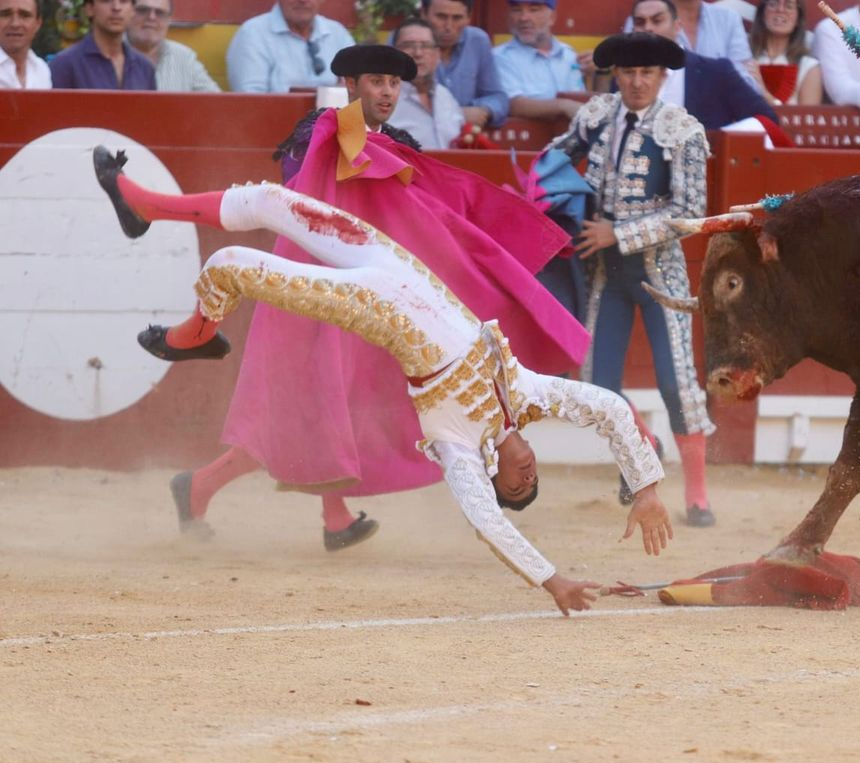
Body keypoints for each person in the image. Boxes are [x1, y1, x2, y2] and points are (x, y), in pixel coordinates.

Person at [93, 148, 673, 617]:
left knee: (229, 268)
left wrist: (552, 581)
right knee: (274, 201)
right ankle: (146, 206)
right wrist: (644, 487)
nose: (526, 477)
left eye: (517, 488)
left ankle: (195, 335)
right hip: (403, 269)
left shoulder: (457, 446)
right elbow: (607, 408)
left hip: (375, 307)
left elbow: (487, 522)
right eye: (532, 481)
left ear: (493, 477)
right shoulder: (526, 392)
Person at [131, 44, 589, 550]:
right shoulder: (317, 136)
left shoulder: (394, 143)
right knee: (313, 409)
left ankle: (293, 509)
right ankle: (217, 490)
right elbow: (300, 208)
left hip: (371, 298)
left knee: (335, 408)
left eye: (394, 84)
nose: (388, 92)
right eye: (376, 82)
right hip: (321, 293)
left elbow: (420, 220)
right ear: (351, 86)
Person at [550, 32, 717, 528]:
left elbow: (690, 213)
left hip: (658, 272)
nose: (638, 81)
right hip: (604, 273)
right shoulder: (596, 115)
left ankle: (699, 495)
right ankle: (645, 445)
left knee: (675, 383)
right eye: (629, 72)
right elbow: (558, 157)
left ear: (662, 77)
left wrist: (616, 232)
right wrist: (536, 195)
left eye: (647, 72)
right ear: (615, 75)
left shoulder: (682, 130)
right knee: (596, 384)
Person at [632, 0, 778, 131]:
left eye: (657, 21)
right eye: (640, 23)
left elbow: (765, 119)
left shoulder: (718, 71)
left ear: (677, 26)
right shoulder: (626, 74)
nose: (648, 28)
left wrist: (720, 140)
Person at [225, 0, 354, 93]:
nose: (303, 1)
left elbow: (356, 88)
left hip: (334, 125)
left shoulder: (337, 33)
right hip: (275, 125)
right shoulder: (253, 33)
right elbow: (251, 100)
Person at [420, 0, 509, 128]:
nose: (448, 26)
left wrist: (484, 110)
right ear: (424, 13)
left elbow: (498, 98)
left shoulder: (478, 41)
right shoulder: (405, 41)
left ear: (468, 17)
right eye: (441, 17)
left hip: (465, 140)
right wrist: (457, 114)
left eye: (457, 18)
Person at [492, 0, 584, 123]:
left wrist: (600, 73)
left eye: (534, 10)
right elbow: (513, 105)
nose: (523, 18)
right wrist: (563, 106)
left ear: (552, 17)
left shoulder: (569, 55)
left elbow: (584, 100)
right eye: (516, 10)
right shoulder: (500, 57)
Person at [388, 18, 465, 149]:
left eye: (426, 46)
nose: (418, 53)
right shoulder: (384, 98)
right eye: (408, 45)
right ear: (393, 53)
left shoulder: (446, 97)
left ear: (437, 55)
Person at [50, 0, 156, 89]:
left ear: (133, 10)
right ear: (89, 9)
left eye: (123, 1)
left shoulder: (144, 68)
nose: (116, 7)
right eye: (106, 0)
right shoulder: (65, 65)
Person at [126, 0, 220, 92]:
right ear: (128, 14)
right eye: (143, 10)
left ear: (169, 20)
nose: (151, 17)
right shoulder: (113, 53)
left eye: (160, 13)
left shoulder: (184, 58)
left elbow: (218, 103)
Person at [749, 0, 822, 105]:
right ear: (762, 14)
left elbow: (808, 119)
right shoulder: (744, 58)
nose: (780, 10)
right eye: (773, 4)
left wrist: (765, 94)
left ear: (798, 19)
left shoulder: (809, 66)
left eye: (789, 6)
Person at [0, 0, 50, 89]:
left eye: (25, 15)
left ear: (38, 23)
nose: (15, 24)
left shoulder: (41, 70)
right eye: (6, 15)